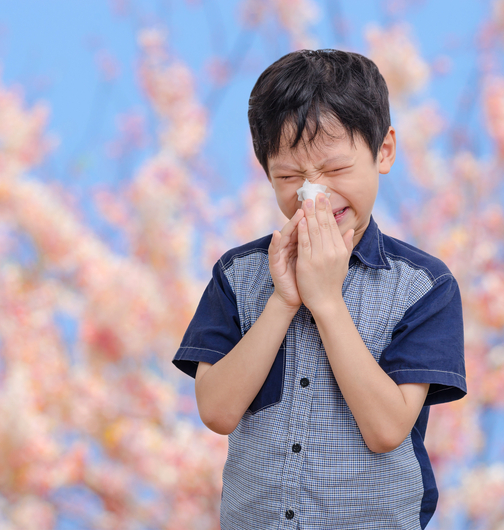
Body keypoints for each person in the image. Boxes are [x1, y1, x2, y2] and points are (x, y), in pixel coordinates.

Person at [172, 49, 466, 530]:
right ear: (265, 170)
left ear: (383, 151)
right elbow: (217, 410)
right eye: (289, 177)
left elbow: (388, 428)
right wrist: (284, 299)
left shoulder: (423, 286)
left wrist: (327, 302)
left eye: (335, 170)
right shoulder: (236, 274)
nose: (314, 194)